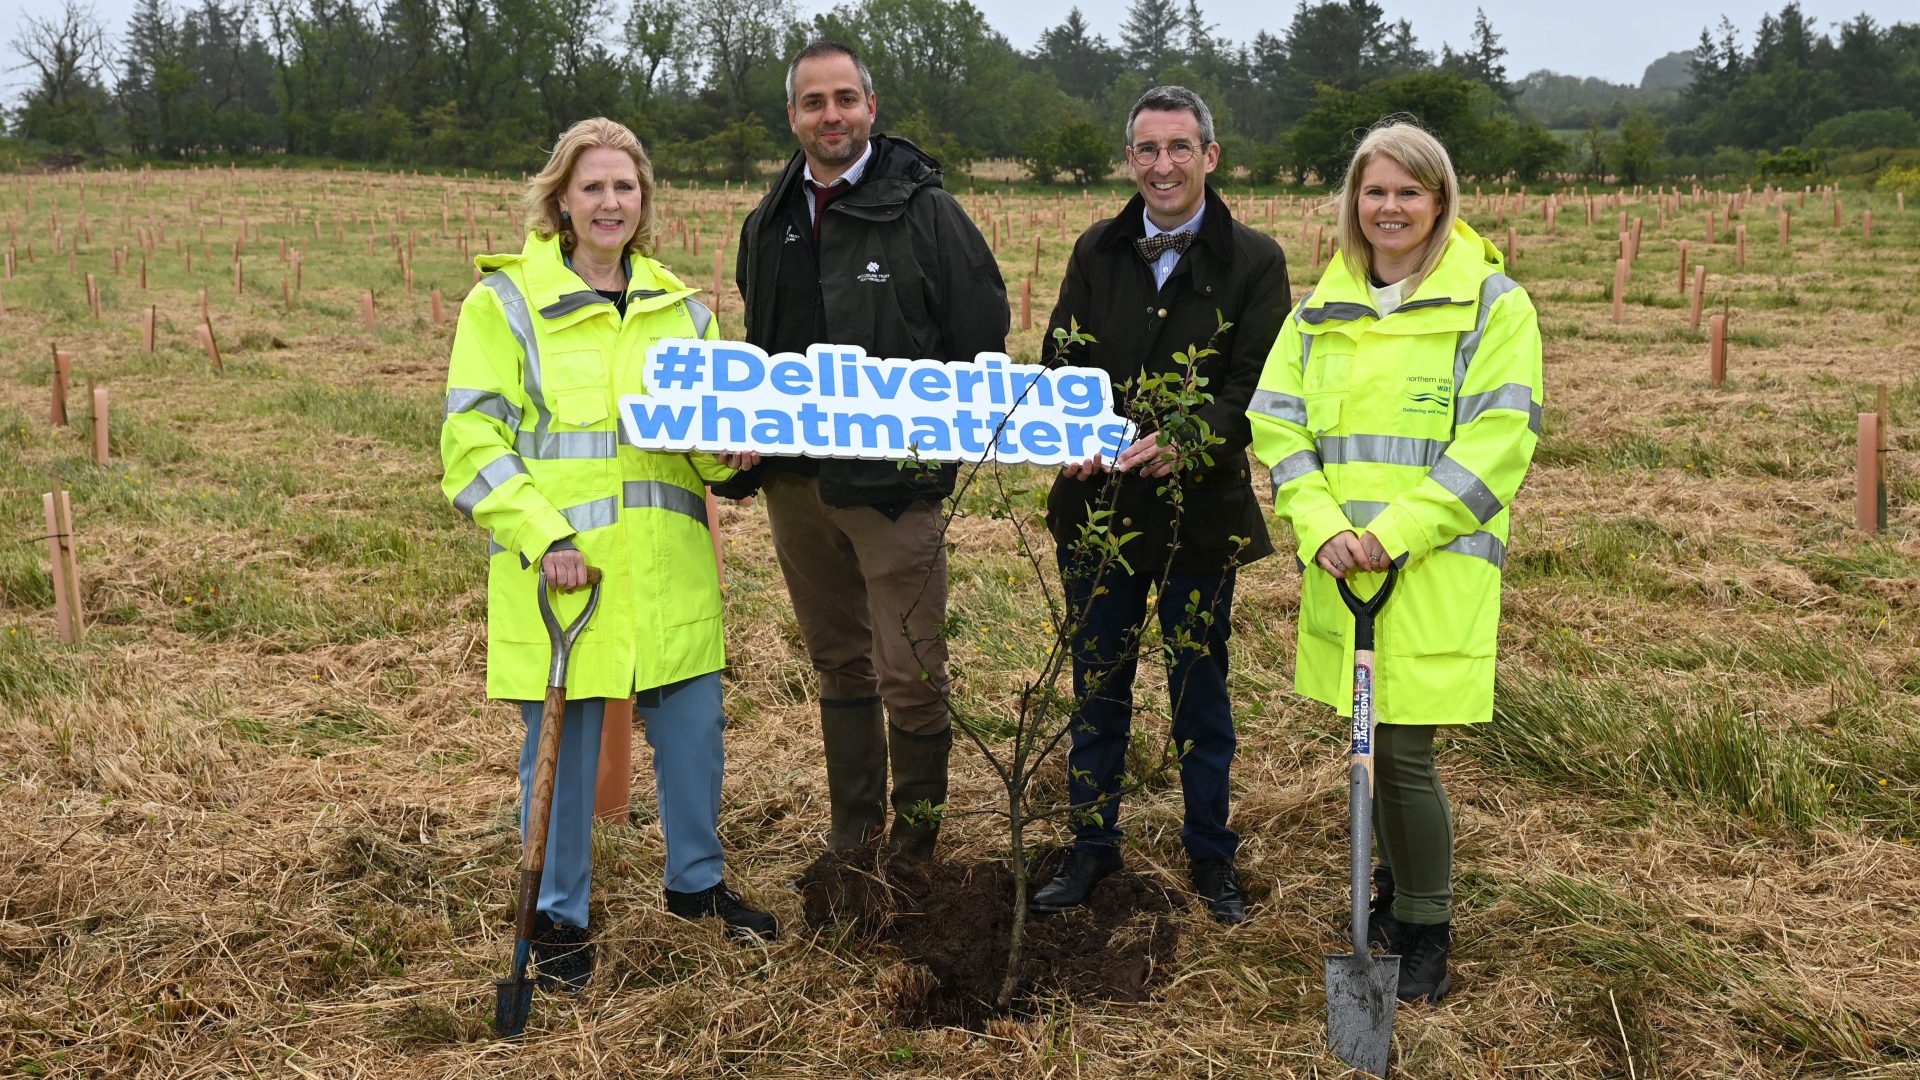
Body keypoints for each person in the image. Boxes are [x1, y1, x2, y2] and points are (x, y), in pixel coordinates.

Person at [441, 117, 777, 991]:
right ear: (560, 197)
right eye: (592, 186)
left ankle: (696, 889)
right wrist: (544, 534)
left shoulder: (684, 310)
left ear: (644, 201)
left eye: (624, 187)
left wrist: (732, 454)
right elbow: (473, 443)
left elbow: (699, 446)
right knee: (565, 754)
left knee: (697, 739)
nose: (609, 202)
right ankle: (559, 915)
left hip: (669, 575)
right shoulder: (506, 304)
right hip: (568, 579)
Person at [1249, 121, 1543, 1002]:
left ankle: (1425, 926)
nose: (1389, 208)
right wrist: (1319, 524)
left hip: (1429, 572)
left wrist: (1398, 532)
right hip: (1344, 572)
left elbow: (1499, 440)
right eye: (1374, 192)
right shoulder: (1318, 312)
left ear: (1441, 202)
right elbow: (1279, 425)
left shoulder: (1493, 306)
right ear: (1353, 204)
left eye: (1408, 192)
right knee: (1367, 747)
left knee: (1403, 756)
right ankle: (1391, 897)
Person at [726, 41, 1008, 860]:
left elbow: (979, 337)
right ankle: (855, 834)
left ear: (872, 109)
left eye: (845, 98)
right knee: (839, 663)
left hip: (893, 488)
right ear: (794, 116)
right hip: (797, 486)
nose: (832, 116)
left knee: (911, 670)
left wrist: (930, 459)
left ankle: (917, 843)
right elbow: (761, 345)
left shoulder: (928, 212)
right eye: (814, 103)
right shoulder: (768, 219)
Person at [1027, 86, 1289, 926]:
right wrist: (1068, 427)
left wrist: (1198, 437)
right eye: (1147, 149)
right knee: (1096, 686)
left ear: (1211, 157)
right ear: (1129, 158)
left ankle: (1211, 855)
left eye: (1180, 148)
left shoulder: (1254, 259)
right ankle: (1091, 846)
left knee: (1198, 692)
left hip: (1195, 522)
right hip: (1097, 513)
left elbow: (1259, 381)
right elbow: (1059, 354)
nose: (1163, 165)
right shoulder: (1096, 248)